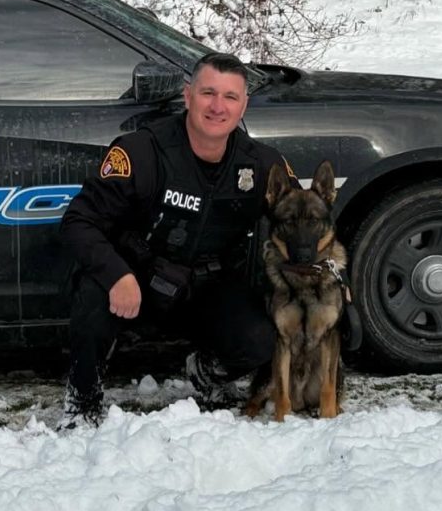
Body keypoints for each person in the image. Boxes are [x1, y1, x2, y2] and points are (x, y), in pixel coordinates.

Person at [59, 52, 299, 429]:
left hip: (207, 287)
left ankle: (206, 372)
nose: (217, 107)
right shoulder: (141, 151)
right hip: (137, 281)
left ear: (243, 105)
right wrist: (117, 274)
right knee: (93, 296)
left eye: (230, 97)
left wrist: (329, 273)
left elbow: (301, 219)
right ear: (188, 96)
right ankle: (82, 400)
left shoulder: (261, 164)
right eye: (208, 93)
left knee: (260, 339)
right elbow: (80, 222)